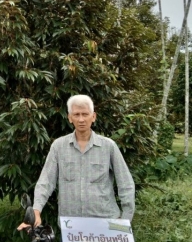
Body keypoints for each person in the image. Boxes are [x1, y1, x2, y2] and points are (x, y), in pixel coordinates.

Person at [18, 94, 135, 230]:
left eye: (85, 114)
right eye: (76, 114)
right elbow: (46, 182)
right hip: (71, 227)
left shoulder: (108, 146)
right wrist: (36, 212)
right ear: (69, 117)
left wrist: (124, 222)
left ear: (93, 116)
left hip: (106, 225)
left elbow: (126, 184)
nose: (81, 119)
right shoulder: (59, 146)